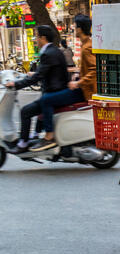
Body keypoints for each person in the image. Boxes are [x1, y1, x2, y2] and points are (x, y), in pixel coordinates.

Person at [28, 14, 96, 152]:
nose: (73, 29)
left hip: (85, 91)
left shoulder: (87, 47)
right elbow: (87, 69)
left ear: (80, 29)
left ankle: (49, 136)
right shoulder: (86, 45)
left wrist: (78, 83)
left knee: (46, 100)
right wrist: (77, 75)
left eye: (75, 26)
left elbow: (95, 71)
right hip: (82, 87)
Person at [6, 25, 69, 154]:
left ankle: (23, 143)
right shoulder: (55, 51)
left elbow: (38, 77)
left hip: (53, 93)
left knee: (25, 111)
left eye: (37, 37)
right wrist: (32, 75)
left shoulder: (48, 53)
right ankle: (34, 136)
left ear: (43, 38)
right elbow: (46, 72)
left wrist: (15, 84)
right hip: (56, 90)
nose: (35, 40)